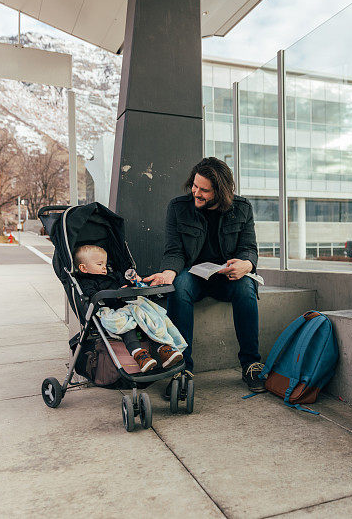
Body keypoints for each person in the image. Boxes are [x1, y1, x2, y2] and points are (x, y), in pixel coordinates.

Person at [143, 157, 265, 393]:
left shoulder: (242, 208)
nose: (196, 192)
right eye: (194, 186)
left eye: (204, 190)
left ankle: (251, 364)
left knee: (246, 289)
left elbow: (249, 248)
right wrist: (169, 272)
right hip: (194, 276)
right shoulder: (178, 207)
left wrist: (246, 264)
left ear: (220, 192)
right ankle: (181, 369)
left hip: (227, 277)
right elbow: (174, 251)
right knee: (179, 285)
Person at [74, 244, 183, 372]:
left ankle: (164, 349)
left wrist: (133, 282)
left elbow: (126, 284)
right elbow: (94, 297)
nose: (104, 268)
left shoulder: (114, 275)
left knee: (148, 318)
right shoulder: (87, 282)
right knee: (126, 325)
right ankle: (140, 356)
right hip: (110, 311)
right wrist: (116, 295)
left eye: (105, 264)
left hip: (129, 307)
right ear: (84, 268)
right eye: (99, 265)